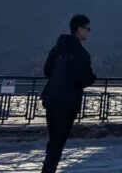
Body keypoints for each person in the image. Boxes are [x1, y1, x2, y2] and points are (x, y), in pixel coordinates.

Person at [40, 14, 96, 173]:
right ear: (79, 29)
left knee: (54, 140)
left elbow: (47, 71)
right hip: (67, 101)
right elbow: (84, 78)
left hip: (51, 98)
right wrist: (92, 78)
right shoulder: (81, 53)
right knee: (59, 140)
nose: (88, 32)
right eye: (88, 28)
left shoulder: (57, 48)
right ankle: (48, 170)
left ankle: (48, 168)